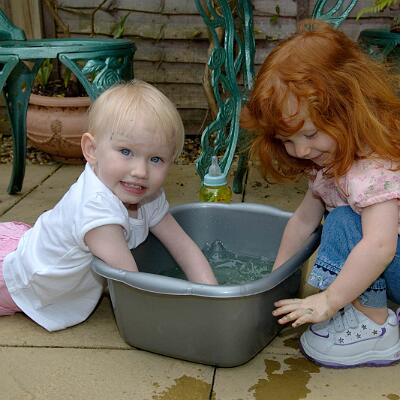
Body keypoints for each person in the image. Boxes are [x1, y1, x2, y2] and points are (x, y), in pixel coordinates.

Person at [240, 20, 400, 368]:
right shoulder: (331, 160)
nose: (300, 150)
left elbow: (380, 246)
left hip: (390, 259)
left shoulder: (373, 170)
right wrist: (273, 281)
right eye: (287, 139)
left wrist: (329, 300)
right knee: (337, 219)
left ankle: (376, 327)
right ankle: (364, 302)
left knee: (342, 220)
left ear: (348, 109)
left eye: (310, 134)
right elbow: (302, 222)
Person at [0, 79, 218, 332]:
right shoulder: (97, 212)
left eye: (156, 159)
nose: (140, 171)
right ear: (91, 150)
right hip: (18, 281)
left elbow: (184, 248)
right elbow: (132, 285)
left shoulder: (147, 194)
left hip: (33, 245)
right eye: (126, 152)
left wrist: (214, 298)